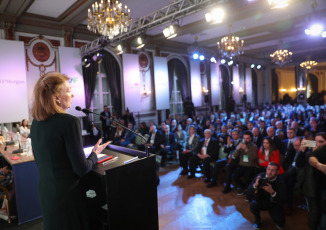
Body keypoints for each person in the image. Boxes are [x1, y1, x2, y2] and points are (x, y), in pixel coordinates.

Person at [30, 72, 109, 230]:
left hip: (47, 193)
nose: (72, 93)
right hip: (68, 197)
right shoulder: (69, 122)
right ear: (56, 97)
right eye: (67, 89)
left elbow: (39, 160)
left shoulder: (36, 123)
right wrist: (94, 154)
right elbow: (81, 169)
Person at [247, 162, 286, 230]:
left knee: (281, 222)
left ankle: (279, 221)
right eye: (268, 169)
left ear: (277, 172)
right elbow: (248, 192)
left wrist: (272, 192)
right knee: (253, 205)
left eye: (272, 170)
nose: (269, 172)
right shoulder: (260, 177)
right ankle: (257, 220)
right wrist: (255, 186)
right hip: (260, 201)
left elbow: (282, 199)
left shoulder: (281, 182)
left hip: (273, 204)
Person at [308, 132, 326, 230]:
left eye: (321, 142)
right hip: (314, 187)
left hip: (322, 188)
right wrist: (320, 166)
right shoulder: (316, 151)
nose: (318, 144)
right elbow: (311, 158)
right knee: (315, 212)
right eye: (316, 142)